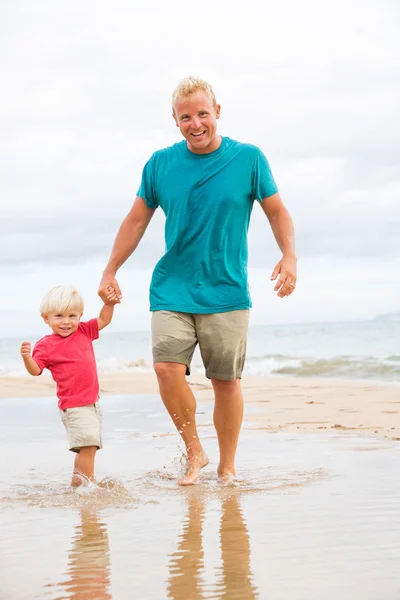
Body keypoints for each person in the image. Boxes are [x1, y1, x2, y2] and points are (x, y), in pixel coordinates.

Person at [98, 76, 297, 486]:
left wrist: (289, 255)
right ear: (175, 121)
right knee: (165, 369)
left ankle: (227, 466)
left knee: (226, 381)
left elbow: (277, 211)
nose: (196, 123)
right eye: (185, 117)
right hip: (172, 287)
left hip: (226, 289)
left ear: (217, 112)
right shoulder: (160, 164)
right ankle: (195, 452)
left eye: (202, 114)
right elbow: (137, 219)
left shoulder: (249, 159)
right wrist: (110, 269)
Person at [20, 284, 119, 486]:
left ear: (80, 316)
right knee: (89, 446)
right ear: (46, 318)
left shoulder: (84, 331)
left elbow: (104, 319)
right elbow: (36, 370)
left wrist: (108, 304)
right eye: (59, 316)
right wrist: (26, 358)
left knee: (85, 447)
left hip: (92, 403)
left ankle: (77, 484)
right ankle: (90, 486)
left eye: (72, 316)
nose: (66, 322)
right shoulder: (46, 345)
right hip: (74, 405)